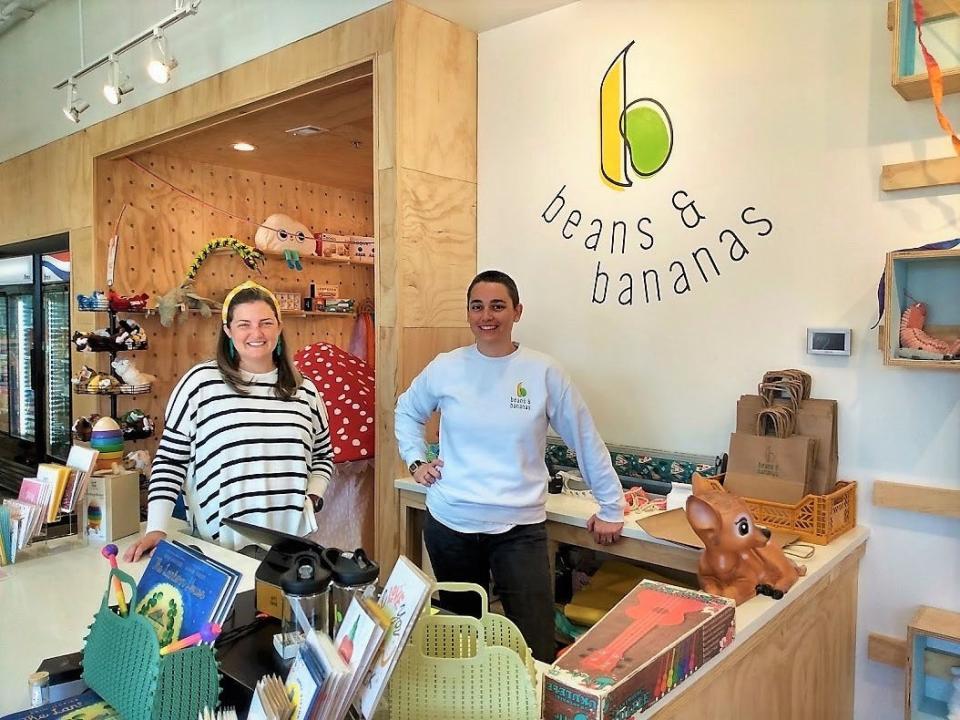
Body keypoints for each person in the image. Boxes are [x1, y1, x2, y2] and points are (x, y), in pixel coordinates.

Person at [394, 269, 626, 661]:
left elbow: (583, 437)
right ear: (468, 313)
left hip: (519, 528)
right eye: (477, 307)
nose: (487, 316)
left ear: (517, 311)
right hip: (452, 522)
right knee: (461, 640)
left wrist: (611, 506)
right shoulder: (447, 367)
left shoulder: (543, 371)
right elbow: (407, 411)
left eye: (498, 306)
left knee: (533, 644)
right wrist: (417, 461)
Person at [124, 280, 334, 561]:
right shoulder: (200, 384)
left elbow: (322, 455)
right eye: (244, 324)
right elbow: (170, 462)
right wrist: (156, 528)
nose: (256, 333)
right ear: (228, 330)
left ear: (279, 327)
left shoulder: (304, 390)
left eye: (266, 323)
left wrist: (313, 498)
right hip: (220, 548)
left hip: (289, 548)